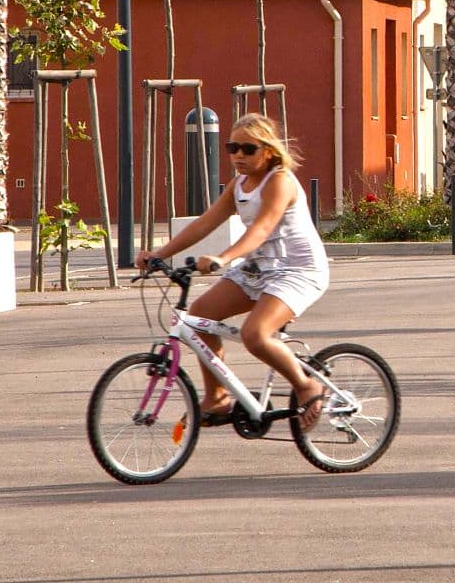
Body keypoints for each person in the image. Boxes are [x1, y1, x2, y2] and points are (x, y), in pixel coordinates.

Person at [138, 113, 331, 430]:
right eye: (233, 147)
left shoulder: (280, 181)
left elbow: (262, 229)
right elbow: (205, 222)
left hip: (297, 270)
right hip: (258, 269)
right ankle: (217, 399)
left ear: (267, 150)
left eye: (248, 148)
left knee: (254, 335)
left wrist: (223, 257)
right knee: (200, 318)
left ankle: (306, 384)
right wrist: (159, 255)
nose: (239, 155)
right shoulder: (239, 185)